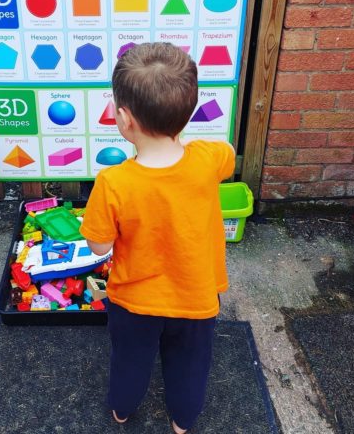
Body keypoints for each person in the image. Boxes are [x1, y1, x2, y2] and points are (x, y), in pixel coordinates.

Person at [80, 42, 236, 433]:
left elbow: (99, 246)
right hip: (196, 298)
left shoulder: (113, 182)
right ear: (187, 114)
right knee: (190, 364)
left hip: (134, 302)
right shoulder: (207, 159)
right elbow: (229, 153)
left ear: (123, 118)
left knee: (130, 360)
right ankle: (183, 422)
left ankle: (122, 410)